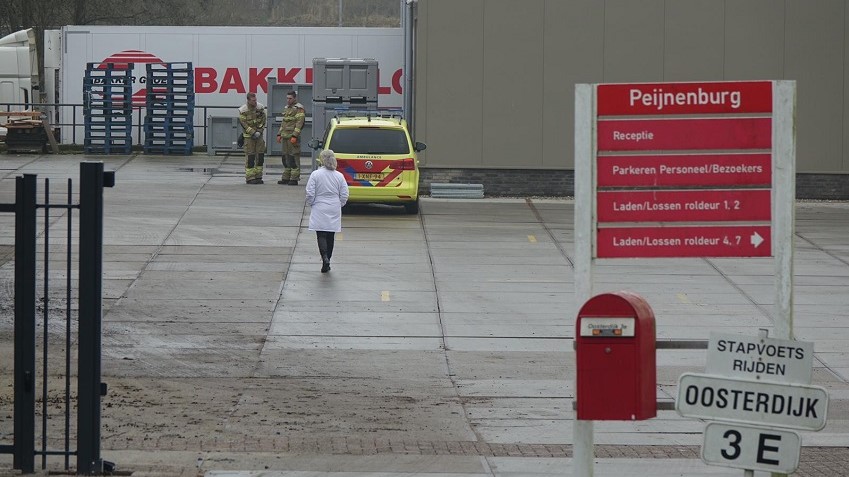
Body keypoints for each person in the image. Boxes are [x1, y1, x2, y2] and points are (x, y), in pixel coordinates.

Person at [305, 149, 349, 273]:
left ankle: (324, 257)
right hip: (334, 206)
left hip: (319, 206)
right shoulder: (339, 176)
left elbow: (310, 192)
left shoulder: (316, 174)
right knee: (331, 235)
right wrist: (339, 204)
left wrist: (312, 203)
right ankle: (328, 258)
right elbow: (344, 193)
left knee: (321, 234)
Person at [275, 90, 306, 185]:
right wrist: (279, 134)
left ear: (295, 98)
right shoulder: (286, 108)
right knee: (285, 157)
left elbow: (299, 123)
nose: (288, 100)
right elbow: (283, 123)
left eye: (290, 98)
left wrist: (294, 135)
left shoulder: (299, 108)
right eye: (287, 98)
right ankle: (286, 177)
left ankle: (294, 178)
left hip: (292, 138)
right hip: (285, 137)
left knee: (294, 157)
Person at [238, 92, 267, 184]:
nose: (255, 102)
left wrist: (259, 131)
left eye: (255, 100)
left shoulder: (260, 107)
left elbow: (263, 119)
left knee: (260, 156)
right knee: (250, 157)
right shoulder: (243, 110)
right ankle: (250, 177)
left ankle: (258, 176)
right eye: (253, 100)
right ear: (248, 100)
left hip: (259, 136)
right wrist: (253, 132)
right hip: (248, 137)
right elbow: (243, 123)